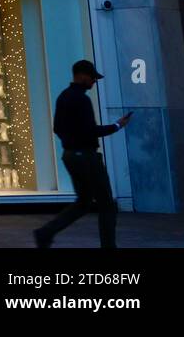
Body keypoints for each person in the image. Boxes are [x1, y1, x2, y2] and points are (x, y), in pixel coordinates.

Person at [35, 60, 131, 249]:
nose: (94, 81)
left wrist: (71, 140)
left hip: (70, 155)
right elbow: (91, 131)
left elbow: (57, 128)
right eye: (92, 77)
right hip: (86, 156)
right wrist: (117, 126)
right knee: (106, 205)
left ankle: (46, 232)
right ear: (80, 75)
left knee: (83, 202)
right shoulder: (82, 99)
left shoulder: (63, 97)